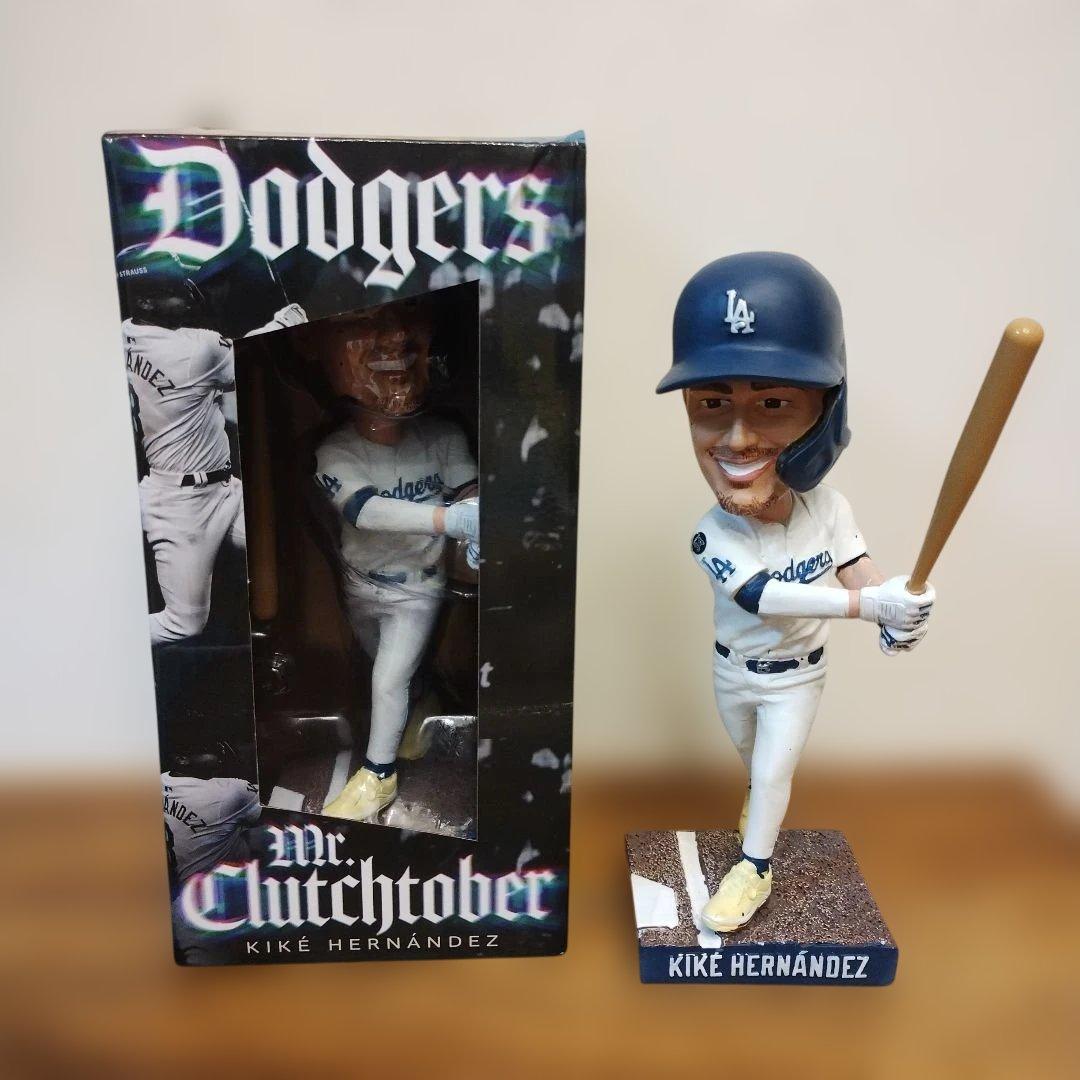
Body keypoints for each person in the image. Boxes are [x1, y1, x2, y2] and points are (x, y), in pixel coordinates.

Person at [657, 252, 935, 932]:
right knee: (757, 770)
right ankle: (760, 813)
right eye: (712, 404)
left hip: (796, 679)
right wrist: (868, 608)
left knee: (774, 774)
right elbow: (764, 597)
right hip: (732, 674)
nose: (737, 436)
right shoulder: (711, 533)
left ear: (824, 414)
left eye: (773, 404)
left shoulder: (828, 508)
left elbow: (855, 566)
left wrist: (895, 605)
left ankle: (754, 868)